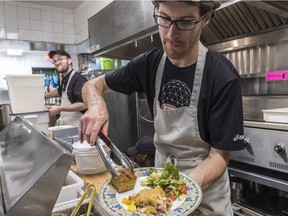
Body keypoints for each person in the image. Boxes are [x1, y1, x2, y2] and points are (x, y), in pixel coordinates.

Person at [79, 1, 244, 215]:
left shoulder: (223, 77)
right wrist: (96, 106)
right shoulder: (150, 63)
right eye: (164, 18)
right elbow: (92, 85)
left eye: (184, 22)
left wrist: (175, 195)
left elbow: (219, 158)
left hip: (206, 201)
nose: (170, 34)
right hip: (159, 189)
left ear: (206, 18)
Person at [45, 50, 87, 127]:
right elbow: (60, 91)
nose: (57, 63)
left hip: (79, 127)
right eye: (54, 61)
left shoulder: (78, 79)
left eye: (60, 59)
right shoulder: (65, 79)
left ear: (69, 60)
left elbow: (84, 104)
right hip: (68, 127)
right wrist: (43, 96)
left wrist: (59, 108)